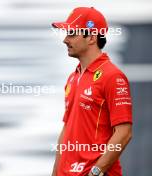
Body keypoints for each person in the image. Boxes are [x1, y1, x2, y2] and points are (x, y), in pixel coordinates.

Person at [51, 7, 133, 176]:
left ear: (91, 38)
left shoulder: (113, 76)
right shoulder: (73, 77)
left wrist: (96, 172)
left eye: (72, 33)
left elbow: (124, 133)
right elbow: (67, 129)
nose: (65, 40)